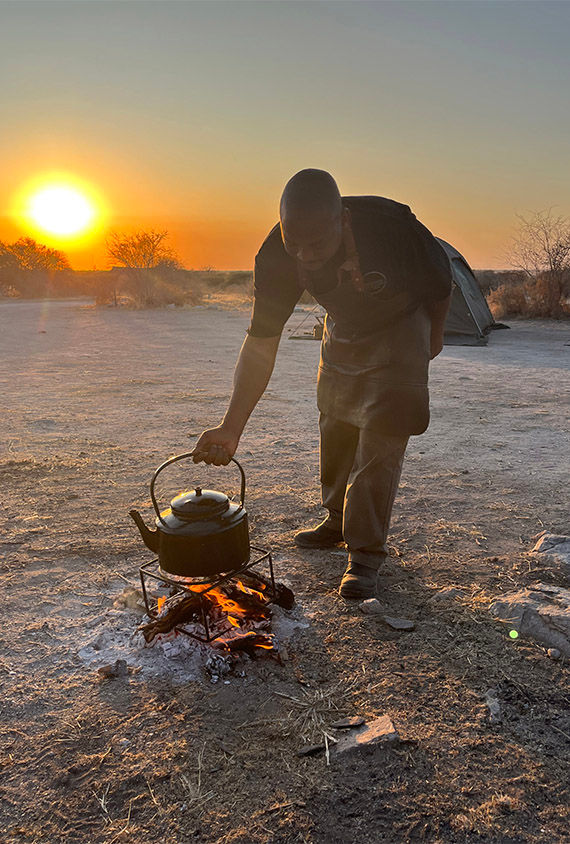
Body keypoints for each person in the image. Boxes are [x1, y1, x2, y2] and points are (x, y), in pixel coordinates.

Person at [192, 169, 452, 599]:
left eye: (318, 244)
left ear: (343, 220)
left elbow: (441, 284)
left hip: (404, 325)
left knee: (381, 438)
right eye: (295, 242)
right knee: (335, 422)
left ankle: (366, 555)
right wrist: (231, 426)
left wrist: (434, 337)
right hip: (345, 326)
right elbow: (260, 343)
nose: (306, 254)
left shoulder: (392, 228)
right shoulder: (277, 254)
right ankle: (336, 519)